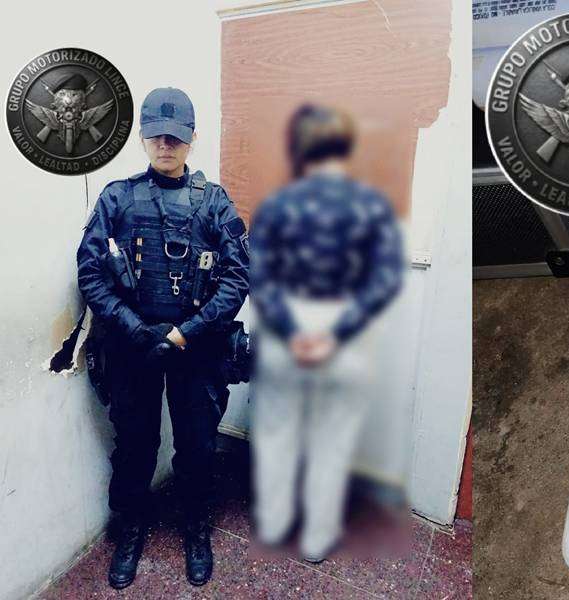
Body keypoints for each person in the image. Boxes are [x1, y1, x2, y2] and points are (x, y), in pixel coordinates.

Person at [76, 87, 249, 588]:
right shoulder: (117, 198)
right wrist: (135, 329)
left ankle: (196, 527)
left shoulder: (213, 202)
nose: (165, 145)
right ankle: (131, 528)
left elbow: (238, 277)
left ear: (192, 138)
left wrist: (185, 333)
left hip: (196, 347)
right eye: (156, 136)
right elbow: (90, 273)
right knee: (135, 445)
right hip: (133, 348)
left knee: (197, 447)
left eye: (175, 137)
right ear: (143, 138)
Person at [249, 104, 404, 562]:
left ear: (299, 150)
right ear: (346, 147)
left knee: (276, 432)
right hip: (347, 334)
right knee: (332, 442)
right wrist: (336, 333)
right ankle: (318, 537)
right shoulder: (372, 205)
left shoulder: (276, 206)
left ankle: (274, 522)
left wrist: (293, 331)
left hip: (285, 330)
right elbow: (386, 278)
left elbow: (259, 276)